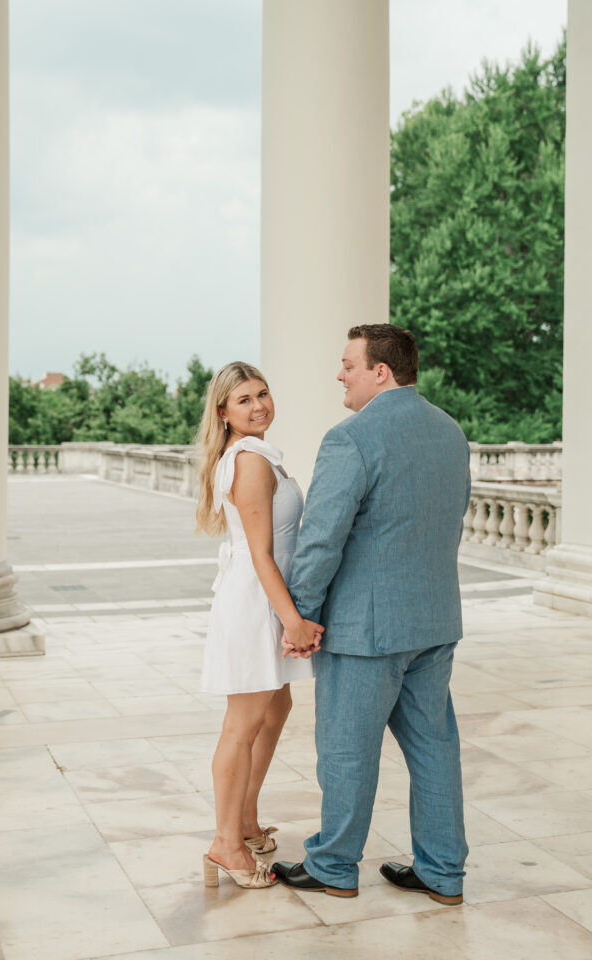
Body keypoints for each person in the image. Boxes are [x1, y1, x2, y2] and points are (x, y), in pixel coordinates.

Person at [272, 324, 471, 904]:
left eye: (348, 364)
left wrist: (301, 615)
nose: (340, 374)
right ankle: (443, 874)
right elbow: (448, 518)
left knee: (345, 752)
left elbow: (320, 539)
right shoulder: (451, 431)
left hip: (366, 630)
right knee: (435, 748)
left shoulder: (349, 438)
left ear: (380, 371)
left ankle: (333, 865)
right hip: (434, 621)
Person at [196, 361, 323, 890]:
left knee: (276, 708)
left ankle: (245, 819)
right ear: (223, 412)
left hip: (267, 597)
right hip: (256, 603)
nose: (258, 405)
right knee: (243, 723)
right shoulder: (249, 461)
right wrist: (291, 620)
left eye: (263, 394)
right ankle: (225, 844)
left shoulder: (261, 455)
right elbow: (261, 554)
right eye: (244, 399)